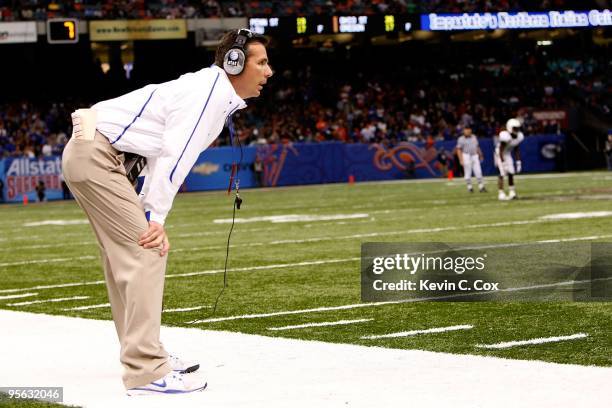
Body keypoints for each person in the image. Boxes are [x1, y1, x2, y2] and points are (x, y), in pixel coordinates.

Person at [61, 29, 273, 395]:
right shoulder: (209, 93)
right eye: (262, 62)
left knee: (124, 258)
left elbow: (160, 155)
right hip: (99, 156)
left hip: (99, 155)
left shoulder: (210, 92)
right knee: (147, 249)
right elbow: (176, 155)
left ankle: (145, 353)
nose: (269, 71)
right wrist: (154, 218)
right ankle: (145, 369)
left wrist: (148, 208)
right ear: (234, 62)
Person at [495, 118, 524, 200]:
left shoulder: (519, 136)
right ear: (510, 127)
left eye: (518, 128)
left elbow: (516, 149)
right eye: (515, 128)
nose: (517, 130)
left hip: (507, 153)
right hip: (499, 154)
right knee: (502, 173)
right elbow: (500, 150)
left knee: (511, 172)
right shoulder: (505, 136)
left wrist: (518, 162)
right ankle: (501, 193)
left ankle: (512, 192)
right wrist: (503, 163)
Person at [456, 125, 485, 193]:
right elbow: (459, 150)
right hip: (466, 155)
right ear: (464, 131)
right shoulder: (461, 139)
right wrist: (461, 159)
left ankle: (481, 187)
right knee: (467, 172)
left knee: (478, 171)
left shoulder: (474, 137)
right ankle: (469, 187)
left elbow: (477, 146)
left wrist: (480, 154)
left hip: (474, 155)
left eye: (469, 129)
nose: (468, 131)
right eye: (466, 129)